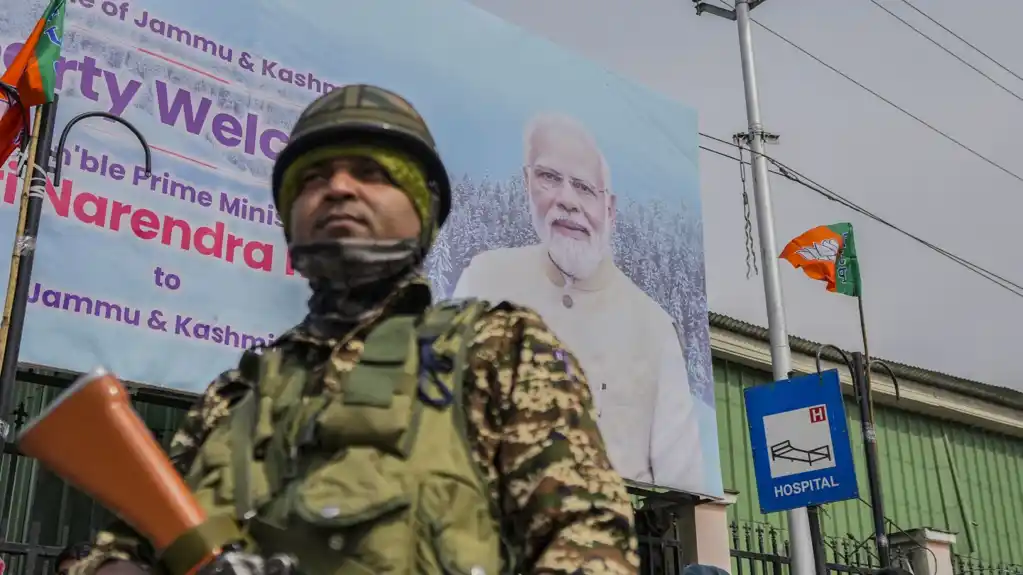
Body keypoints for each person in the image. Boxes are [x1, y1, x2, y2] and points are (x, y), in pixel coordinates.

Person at [71, 85, 638, 575]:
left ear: (423, 210)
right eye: (313, 178)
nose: (339, 188)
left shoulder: (497, 348)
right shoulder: (235, 396)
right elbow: (121, 544)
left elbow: (585, 539)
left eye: (372, 173)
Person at [453, 113, 706, 493]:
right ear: (527, 184)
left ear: (610, 208)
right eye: (549, 178)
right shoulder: (485, 280)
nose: (567, 201)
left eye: (585, 188)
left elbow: (682, 484)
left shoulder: (653, 329)